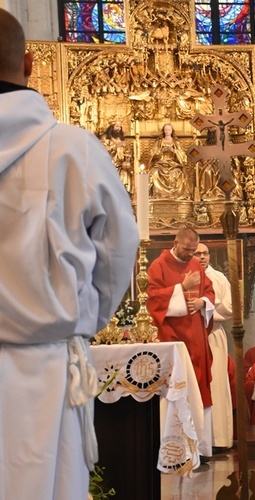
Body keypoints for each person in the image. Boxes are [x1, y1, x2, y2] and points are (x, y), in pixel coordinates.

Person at [0, 8, 139, 497]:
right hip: (45, 372)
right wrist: (81, 317)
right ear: (31, 63)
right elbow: (119, 251)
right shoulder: (72, 149)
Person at [147, 228, 216, 460]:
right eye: (187, 250)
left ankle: (200, 448)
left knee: (198, 387)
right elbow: (152, 298)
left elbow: (209, 291)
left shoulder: (196, 265)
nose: (190, 255)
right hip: (172, 337)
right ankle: (174, 450)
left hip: (195, 336)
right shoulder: (158, 265)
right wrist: (181, 288)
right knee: (177, 389)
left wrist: (203, 301)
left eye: (193, 251)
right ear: (175, 243)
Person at [195, 243, 234, 450]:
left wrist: (205, 307)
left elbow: (229, 307)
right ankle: (198, 442)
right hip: (191, 336)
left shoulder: (218, 277)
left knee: (216, 383)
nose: (202, 257)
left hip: (213, 334)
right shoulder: (185, 277)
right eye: (197, 253)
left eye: (205, 253)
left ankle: (218, 439)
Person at [149, 122, 190, 200]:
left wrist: (174, 151)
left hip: (173, 164)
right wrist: (161, 151)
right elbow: (152, 153)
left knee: (178, 173)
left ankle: (175, 195)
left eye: (169, 130)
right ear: (163, 131)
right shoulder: (159, 141)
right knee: (154, 172)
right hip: (161, 163)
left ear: (172, 131)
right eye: (166, 130)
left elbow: (183, 155)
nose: (167, 131)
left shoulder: (175, 142)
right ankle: (158, 194)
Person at [100, 121, 133, 195]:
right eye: (117, 126)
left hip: (121, 165)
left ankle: (125, 195)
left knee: (126, 174)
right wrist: (116, 146)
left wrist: (127, 158)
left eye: (120, 127)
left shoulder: (122, 139)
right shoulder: (105, 138)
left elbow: (128, 152)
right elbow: (101, 150)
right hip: (109, 165)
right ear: (112, 127)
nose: (119, 128)